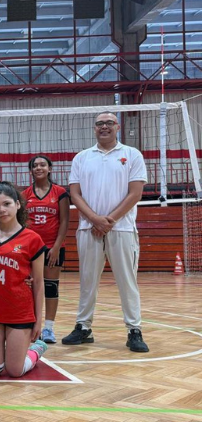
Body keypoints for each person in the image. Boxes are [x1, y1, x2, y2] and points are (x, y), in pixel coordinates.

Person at [62, 112, 149, 352]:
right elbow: (75, 194)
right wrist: (94, 219)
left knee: (127, 281)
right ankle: (83, 327)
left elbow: (135, 193)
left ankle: (134, 330)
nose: (104, 127)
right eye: (100, 123)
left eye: (109, 123)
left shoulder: (132, 154)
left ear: (117, 127)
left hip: (122, 228)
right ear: (94, 128)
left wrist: (108, 221)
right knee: (87, 281)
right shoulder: (81, 157)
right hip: (88, 228)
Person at [0, 182, 48, 378]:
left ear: (18, 204)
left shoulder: (32, 239)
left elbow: (38, 282)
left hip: (20, 312)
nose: (2, 210)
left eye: (7, 204)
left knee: (15, 370)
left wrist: (38, 320)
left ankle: (36, 349)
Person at [23, 155, 70, 344]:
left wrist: (57, 247)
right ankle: (31, 324)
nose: (39, 168)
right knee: (30, 287)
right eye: (35, 165)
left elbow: (64, 221)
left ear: (50, 168)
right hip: (31, 248)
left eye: (43, 165)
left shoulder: (60, 192)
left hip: (52, 247)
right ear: (31, 170)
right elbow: (22, 222)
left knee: (51, 287)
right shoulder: (25, 194)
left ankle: (49, 328)